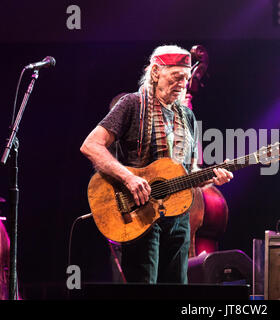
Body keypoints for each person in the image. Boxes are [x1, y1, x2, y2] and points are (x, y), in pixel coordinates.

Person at [80, 45, 233, 284]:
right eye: (176, 78)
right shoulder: (132, 104)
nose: (182, 84)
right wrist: (129, 178)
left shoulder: (186, 115)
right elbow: (91, 145)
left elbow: (189, 171)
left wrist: (212, 176)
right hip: (139, 211)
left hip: (179, 217)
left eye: (186, 78)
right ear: (155, 73)